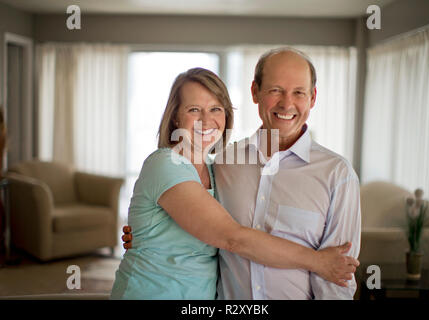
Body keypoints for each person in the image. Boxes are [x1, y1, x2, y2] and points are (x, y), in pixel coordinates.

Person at [112, 67, 359, 300]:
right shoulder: (166, 164)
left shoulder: (220, 168)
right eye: (194, 110)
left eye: (216, 109)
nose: (206, 121)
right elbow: (233, 238)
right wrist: (318, 261)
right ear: (175, 117)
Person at [214, 47, 361, 299]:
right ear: (255, 92)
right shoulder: (224, 162)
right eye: (275, 90)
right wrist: (144, 236)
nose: (286, 103)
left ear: (312, 98)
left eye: (298, 93)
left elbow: (336, 277)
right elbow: (196, 231)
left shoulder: (337, 174)